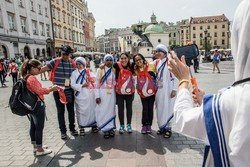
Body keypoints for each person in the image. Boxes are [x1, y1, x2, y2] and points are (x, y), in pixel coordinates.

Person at [168, 1, 250, 166]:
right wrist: (207, 100)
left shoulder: (237, 99)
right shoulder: (231, 99)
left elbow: (184, 119)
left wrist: (184, 80)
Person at [20, 59, 58, 156]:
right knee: (39, 127)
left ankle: (35, 146)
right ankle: (40, 149)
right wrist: (51, 89)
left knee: (33, 126)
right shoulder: (31, 78)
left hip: (31, 105)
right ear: (32, 68)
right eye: (38, 68)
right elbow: (40, 91)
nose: (40, 70)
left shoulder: (26, 76)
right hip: (37, 105)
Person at [40, 45, 78, 139]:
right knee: (60, 112)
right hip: (58, 91)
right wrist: (31, 73)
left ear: (70, 54)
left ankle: (72, 129)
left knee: (71, 111)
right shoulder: (55, 61)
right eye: (63, 54)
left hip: (69, 90)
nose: (64, 56)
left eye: (66, 54)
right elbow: (43, 69)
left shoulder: (72, 63)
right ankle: (63, 132)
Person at [154, 44, 178, 138]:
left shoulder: (170, 62)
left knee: (168, 108)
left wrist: (174, 89)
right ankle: (162, 127)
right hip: (159, 90)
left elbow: (175, 76)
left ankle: (168, 128)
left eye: (159, 51)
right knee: (160, 108)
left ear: (164, 53)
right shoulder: (157, 62)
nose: (157, 53)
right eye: (156, 51)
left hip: (168, 89)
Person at [70, 57, 98, 136]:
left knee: (92, 110)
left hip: (90, 95)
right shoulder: (74, 73)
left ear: (84, 64)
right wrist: (82, 85)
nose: (79, 66)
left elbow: (94, 80)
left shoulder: (88, 71)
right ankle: (81, 127)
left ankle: (93, 126)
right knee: (81, 112)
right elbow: (72, 85)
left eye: (80, 64)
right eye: (77, 64)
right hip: (80, 95)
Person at [133, 53, 157, 134]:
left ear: (143, 59)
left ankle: (149, 125)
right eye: (136, 60)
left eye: (139, 59)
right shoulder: (136, 70)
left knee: (150, 108)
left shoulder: (151, 65)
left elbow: (159, 68)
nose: (138, 61)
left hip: (151, 92)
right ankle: (144, 125)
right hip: (142, 93)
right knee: (145, 109)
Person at [95, 54, 116, 139]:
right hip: (102, 94)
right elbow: (96, 84)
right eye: (107, 60)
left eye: (110, 60)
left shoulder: (114, 70)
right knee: (103, 111)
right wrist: (97, 96)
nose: (109, 62)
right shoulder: (100, 71)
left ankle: (111, 129)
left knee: (111, 111)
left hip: (112, 95)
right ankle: (105, 130)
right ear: (104, 61)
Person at [114, 53, 135, 134]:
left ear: (128, 58)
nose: (123, 60)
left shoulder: (132, 65)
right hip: (119, 92)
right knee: (120, 109)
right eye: (121, 58)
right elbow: (107, 64)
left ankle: (129, 124)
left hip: (130, 92)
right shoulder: (116, 65)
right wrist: (102, 64)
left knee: (129, 108)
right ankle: (122, 125)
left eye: (125, 58)